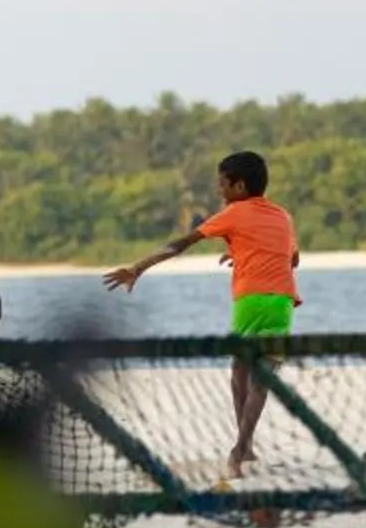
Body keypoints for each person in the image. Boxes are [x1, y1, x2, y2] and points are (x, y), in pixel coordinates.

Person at [104, 150, 300, 477]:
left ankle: (241, 449)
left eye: (222, 185)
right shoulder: (283, 216)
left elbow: (181, 244)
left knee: (240, 370)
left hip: (249, 301)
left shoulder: (234, 212)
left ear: (238, 186)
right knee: (261, 379)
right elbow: (291, 258)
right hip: (280, 301)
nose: (219, 191)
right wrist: (246, 254)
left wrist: (138, 267)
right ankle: (244, 448)